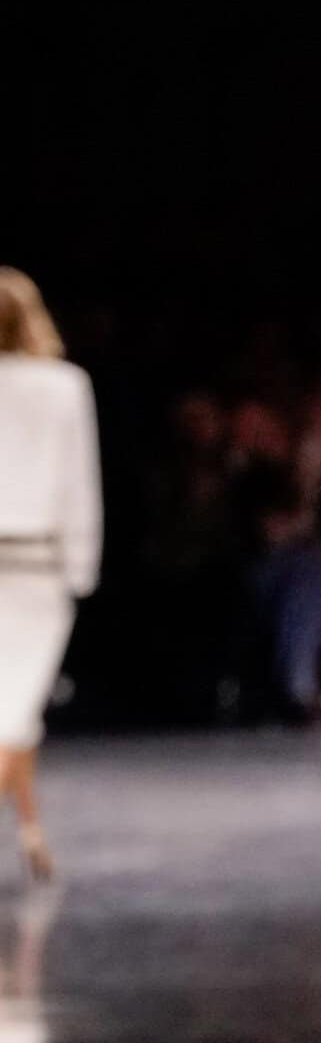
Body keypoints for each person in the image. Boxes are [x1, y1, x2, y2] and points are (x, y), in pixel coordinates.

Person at [0, 271, 101, 880]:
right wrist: (82, 567)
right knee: (14, 710)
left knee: (13, 713)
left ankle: (31, 829)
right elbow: (77, 482)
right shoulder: (64, 386)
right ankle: (30, 831)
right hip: (37, 567)